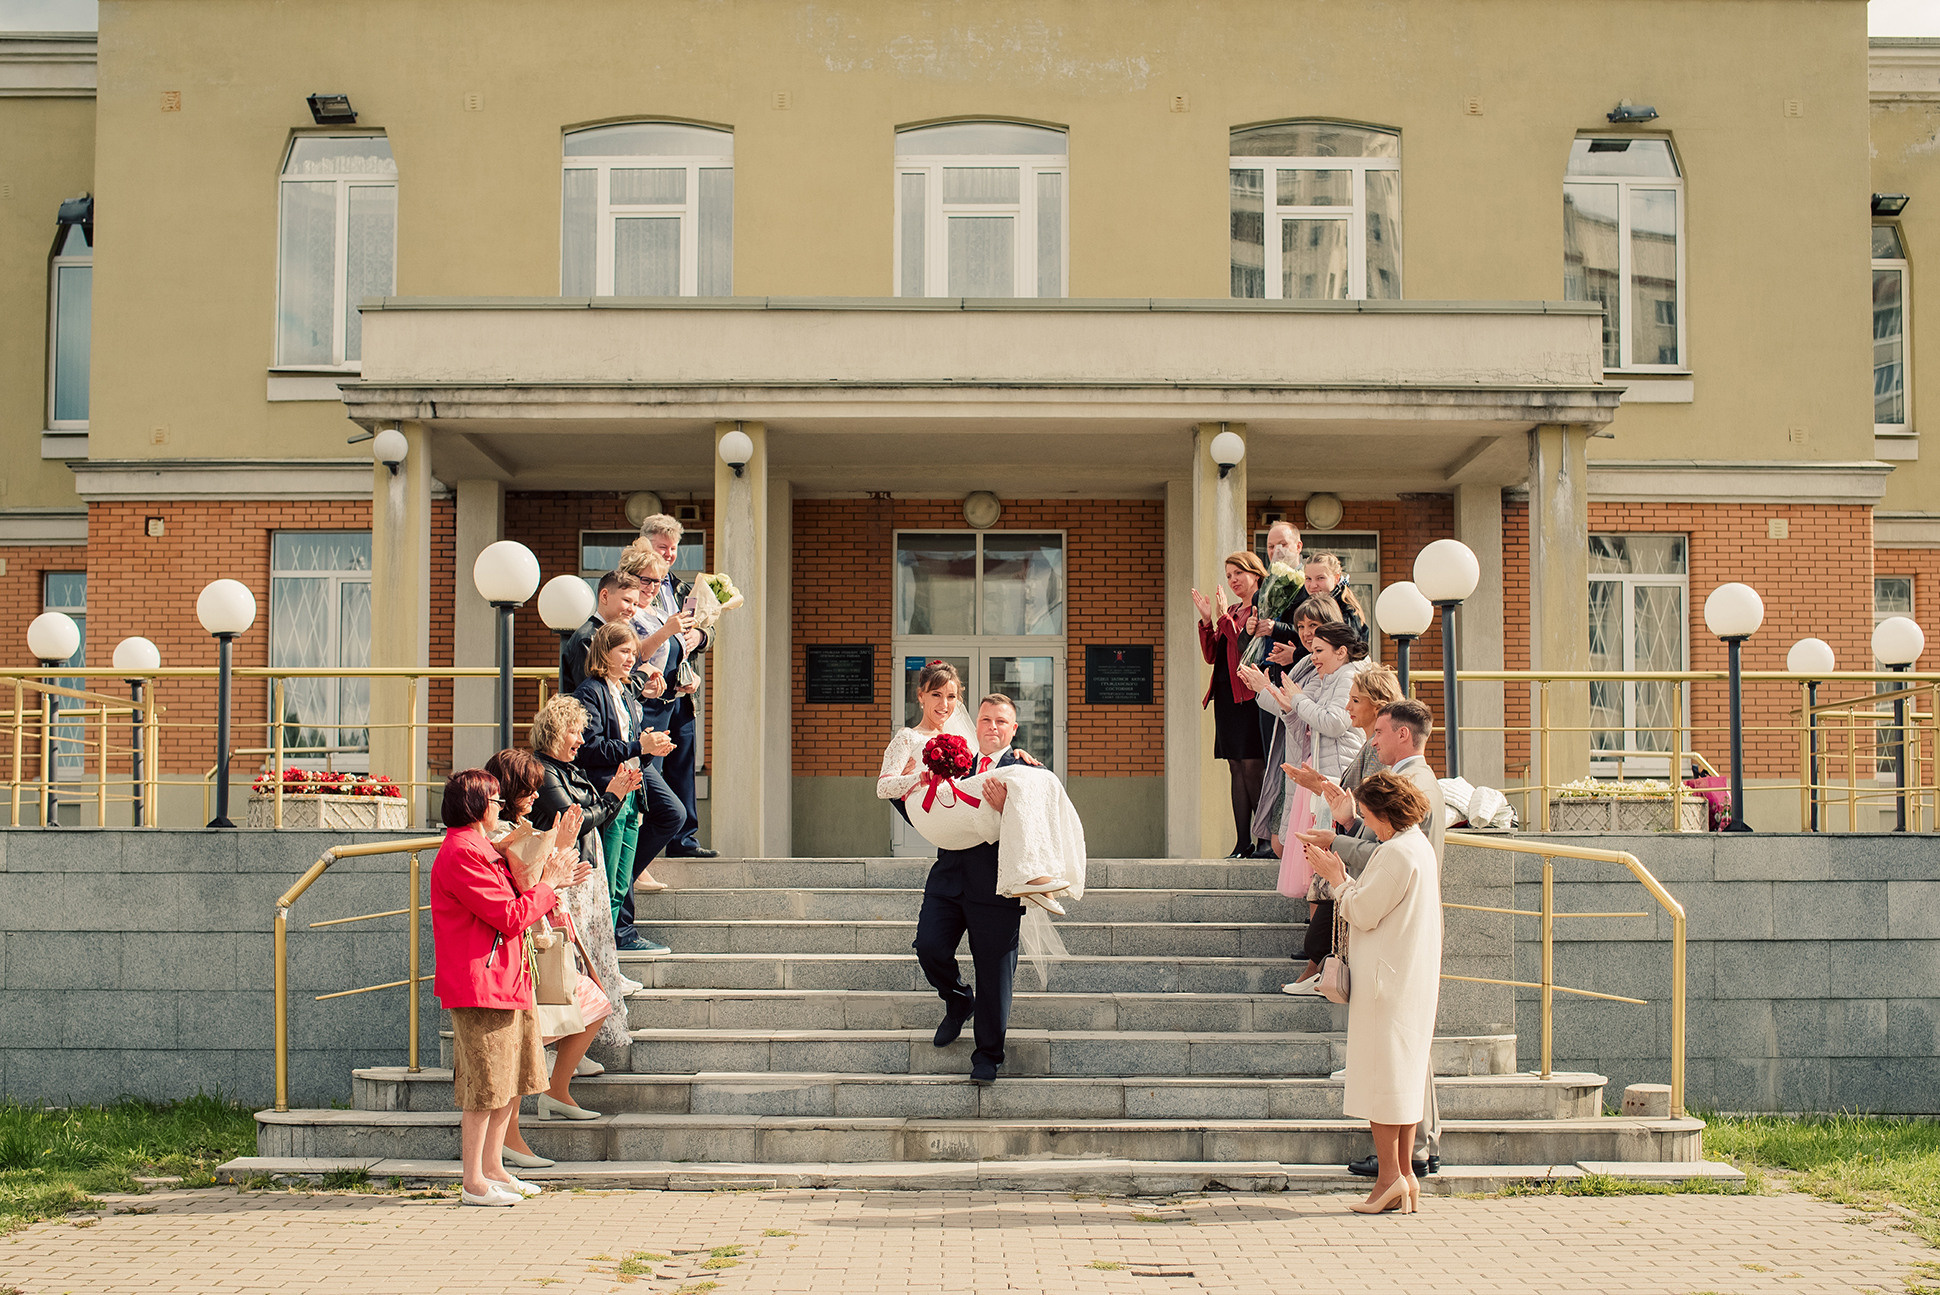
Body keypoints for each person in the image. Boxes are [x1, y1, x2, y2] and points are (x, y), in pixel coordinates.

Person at [883, 674, 1064, 1085]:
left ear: (1013, 729)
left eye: (1001, 721)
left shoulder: (1025, 770)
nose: (992, 727)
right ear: (975, 724)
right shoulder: (955, 759)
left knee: (994, 973)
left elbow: (1039, 826)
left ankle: (987, 1057)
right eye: (985, 720)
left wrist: (1007, 810)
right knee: (929, 947)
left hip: (997, 884)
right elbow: (924, 805)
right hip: (948, 877)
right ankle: (958, 999)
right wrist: (910, 798)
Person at [1296, 696, 1447, 1178]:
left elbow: (1364, 905)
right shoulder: (1404, 843)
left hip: (1392, 968)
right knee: (1403, 1066)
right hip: (1402, 958)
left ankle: (1402, 1166)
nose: (1373, 741)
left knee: (1394, 1074)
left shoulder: (1403, 836)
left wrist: (1337, 871)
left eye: (1380, 732)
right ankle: (1402, 1173)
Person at [429, 767, 590, 1206]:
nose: (501, 807)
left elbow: (519, 896)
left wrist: (553, 859)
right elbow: (509, 915)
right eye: (495, 800)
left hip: (505, 977)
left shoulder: (482, 848)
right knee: (485, 1086)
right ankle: (473, 1181)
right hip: (482, 983)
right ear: (476, 805)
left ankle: (494, 1169)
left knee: (510, 1081)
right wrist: (550, 883)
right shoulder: (463, 852)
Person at [529, 694, 651, 1073]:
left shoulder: (568, 767)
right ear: (554, 731)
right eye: (575, 732)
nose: (581, 740)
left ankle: (572, 1047)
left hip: (585, 877)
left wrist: (616, 793)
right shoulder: (544, 771)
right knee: (566, 964)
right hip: (564, 879)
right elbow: (575, 819)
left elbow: (595, 816)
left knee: (583, 963)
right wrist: (613, 795)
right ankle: (557, 1048)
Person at [1279, 665, 1400, 995]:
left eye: (1355, 700)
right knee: (1323, 919)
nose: (1348, 707)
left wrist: (1320, 785)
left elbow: (1369, 797)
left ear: (1377, 704)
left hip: (1362, 847)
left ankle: (1319, 971)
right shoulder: (1370, 744)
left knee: (1326, 923)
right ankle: (1317, 970)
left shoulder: (1379, 748)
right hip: (1354, 837)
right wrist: (1319, 784)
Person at [572, 621, 683, 929]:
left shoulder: (623, 693)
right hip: (611, 791)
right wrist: (639, 745)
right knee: (608, 877)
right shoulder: (590, 692)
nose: (631, 658)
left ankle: (618, 934)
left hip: (633, 791)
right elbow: (589, 748)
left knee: (622, 879)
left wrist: (651, 748)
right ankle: (605, 939)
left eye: (633, 652)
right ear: (604, 652)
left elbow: (632, 746)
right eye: (623, 651)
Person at [631, 515, 715, 859]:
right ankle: (647, 844)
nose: (668, 554)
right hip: (648, 692)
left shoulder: (681, 588)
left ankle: (684, 840)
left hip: (681, 691)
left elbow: (704, 627)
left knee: (682, 761)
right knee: (650, 766)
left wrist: (700, 636)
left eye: (673, 548)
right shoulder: (634, 586)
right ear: (645, 545)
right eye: (661, 547)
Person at [1238, 595, 1342, 853]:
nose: (1306, 633)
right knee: (1284, 843)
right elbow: (1292, 706)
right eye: (1301, 627)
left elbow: (1303, 710)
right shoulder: (1307, 661)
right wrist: (1264, 689)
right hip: (1300, 757)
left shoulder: (1332, 666)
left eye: (1313, 626)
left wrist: (1266, 689)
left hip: (1321, 763)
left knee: (1295, 845)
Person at [1194, 550, 1271, 858]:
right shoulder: (1234, 610)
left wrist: (1224, 618)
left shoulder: (1261, 610)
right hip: (1226, 697)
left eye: (1238, 573)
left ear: (1255, 574)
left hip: (1249, 697)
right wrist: (1207, 621)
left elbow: (1245, 647)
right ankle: (1242, 843)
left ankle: (1265, 839)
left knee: (1253, 766)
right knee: (1235, 767)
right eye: (1228, 575)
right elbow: (1212, 655)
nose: (1233, 580)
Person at [558, 570, 647, 696]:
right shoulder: (588, 638)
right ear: (604, 596)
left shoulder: (602, 635)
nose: (632, 609)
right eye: (627, 600)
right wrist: (643, 676)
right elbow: (596, 692)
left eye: (635, 604)